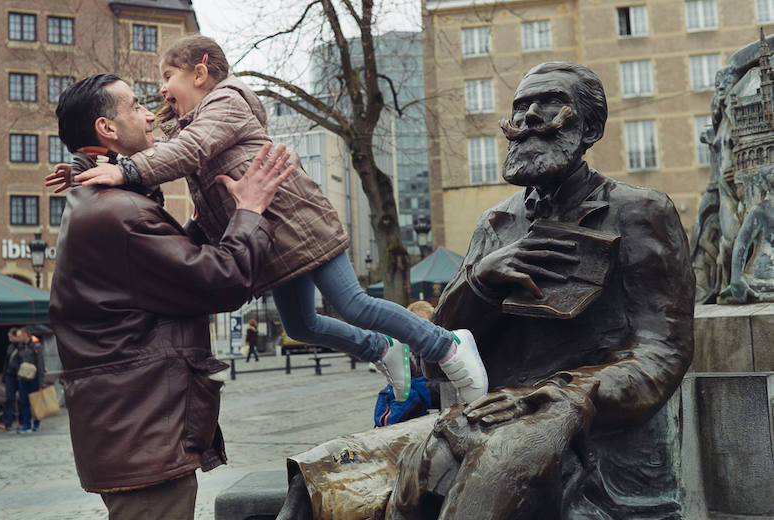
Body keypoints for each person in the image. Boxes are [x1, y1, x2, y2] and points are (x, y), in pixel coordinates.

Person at [276, 62, 695, 520]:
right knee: (319, 476)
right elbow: (434, 359)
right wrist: (480, 282)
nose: (530, 116)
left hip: (586, 429)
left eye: (550, 103)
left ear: (590, 126)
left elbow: (662, 352)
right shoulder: (498, 223)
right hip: (483, 417)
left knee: (491, 473)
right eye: (521, 107)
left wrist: (570, 398)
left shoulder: (639, 211)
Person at [46, 34, 487, 405]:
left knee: (353, 303)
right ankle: (382, 348)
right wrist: (87, 164)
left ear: (199, 73)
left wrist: (125, 170)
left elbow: (187, 150)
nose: (161, 91)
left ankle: (446, 345)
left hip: (299, 224)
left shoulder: (228, 103)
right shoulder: (187, 121)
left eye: (166, 78)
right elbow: (146, 141)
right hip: (272, 240)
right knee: (300, 325)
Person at [49, 73, 295, 520]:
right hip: (143, 438)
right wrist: (250, 210)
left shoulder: (106, 204)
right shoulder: (120, 212)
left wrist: (202, 222)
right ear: (107, 129)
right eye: (135, 106)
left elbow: (165, 281)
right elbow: (222, 280)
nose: (149, 115)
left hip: (136, 433)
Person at [14, 327, 45, 434]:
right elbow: (17, 363)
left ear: (25, 335)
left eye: (18, 336)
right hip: (23, 378)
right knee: (24, 401)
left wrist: (41, 381)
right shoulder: (20, 347)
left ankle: (36, 423)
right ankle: (26, 424)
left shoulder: (36, 345)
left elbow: (41, 364)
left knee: (35, 401)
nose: (17, 338)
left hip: (34, 378)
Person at [0, 327, 20, 431]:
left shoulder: (22, 346)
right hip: (10, 375)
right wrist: (3, 373)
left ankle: (23, 422)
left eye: (11, 336)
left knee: (22, 399)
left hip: (19, 375)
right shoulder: (10, 347)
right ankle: (7, 422)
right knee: (9, 398)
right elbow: (6, 361)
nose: (9, 338)